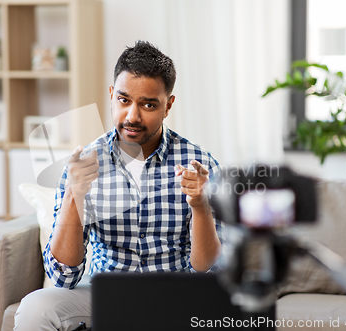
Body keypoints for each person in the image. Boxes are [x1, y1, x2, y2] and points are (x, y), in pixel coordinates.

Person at [14, 41, 224, 331]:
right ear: (112, 96)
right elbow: (63, 278)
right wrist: (74, 196)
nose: (132, 116)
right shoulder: (84, 163)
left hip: (175, 295)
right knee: (35, 309)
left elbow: (206, 270)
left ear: (168, 106)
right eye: (124, 100)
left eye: (148, 104)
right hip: (105, 293)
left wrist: (200, 206)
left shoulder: (199, 164)